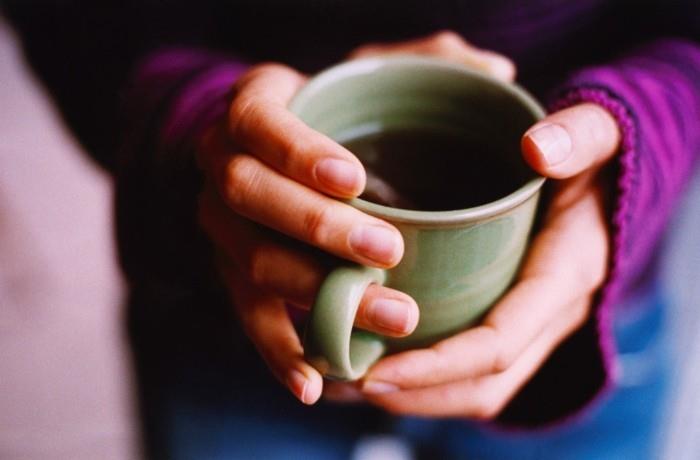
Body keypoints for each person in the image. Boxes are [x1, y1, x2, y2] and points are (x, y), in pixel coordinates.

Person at [3, 1, 700, 458]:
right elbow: (80, 23)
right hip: (235, 304)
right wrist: (201, 128)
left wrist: (641, 135)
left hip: (587, 317)